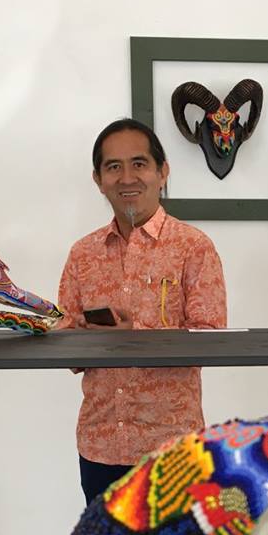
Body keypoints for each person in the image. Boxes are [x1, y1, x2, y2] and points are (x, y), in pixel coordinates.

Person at [57, 119, 227, 505]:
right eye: (113, 167)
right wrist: (73, 338)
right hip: (100, 447)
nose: (127, 177)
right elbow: (66, 347)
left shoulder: (193, 247)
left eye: (139, 163)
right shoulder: (83, 254)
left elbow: (211, 339)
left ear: (162, 172)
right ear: (98, 180)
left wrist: (135, 336)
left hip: (173, 449)